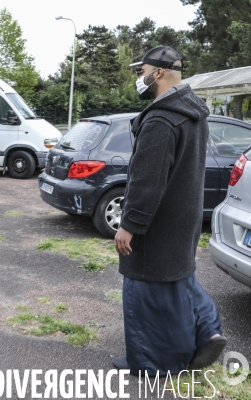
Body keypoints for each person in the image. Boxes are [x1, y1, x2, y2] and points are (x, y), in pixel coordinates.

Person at [113, 46, 226, 376]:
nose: (139, 77)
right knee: (180, 282)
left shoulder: (161, 119)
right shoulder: (192, 112)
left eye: (142, 70)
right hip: (185, 218)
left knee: (140, 291)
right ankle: (209, 332)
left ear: (158, 73)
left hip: (157, 224)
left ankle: (148, 362)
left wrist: (130, 225)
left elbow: (146, 181)